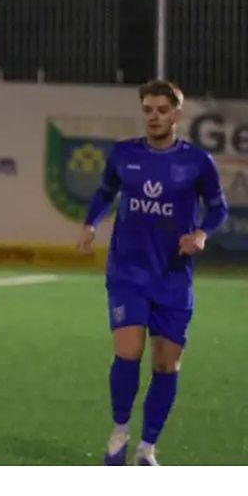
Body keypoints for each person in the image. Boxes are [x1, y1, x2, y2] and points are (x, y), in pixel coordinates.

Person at [77, 80, 229, 466]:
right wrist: (91, 223)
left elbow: (218, 208)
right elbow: (105, 191)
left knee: (166, 364)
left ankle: (147, 449)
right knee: (128, 352)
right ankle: (119, 432)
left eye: (162, 110)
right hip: (127, 271)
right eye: (148, 109)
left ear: (176, 115)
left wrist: (200, 233)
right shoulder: (124, 154)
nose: (154, 117)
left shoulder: (197, 162)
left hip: (173, 277)